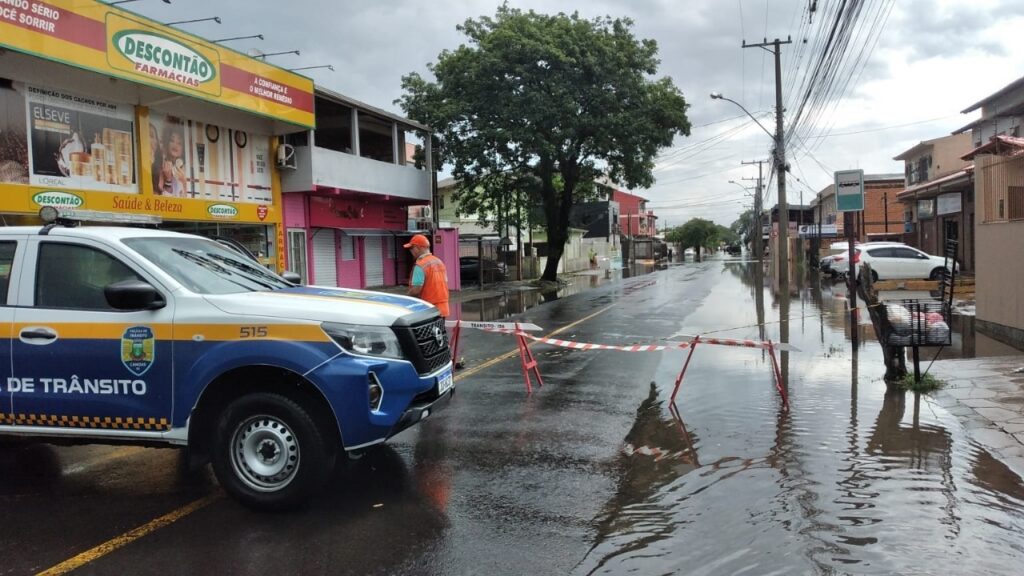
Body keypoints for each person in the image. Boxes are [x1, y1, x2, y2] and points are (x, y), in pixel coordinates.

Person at [405, 234, 449, 318]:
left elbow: (416, 290)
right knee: (439, 331)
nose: (410, 251)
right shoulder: (438, 261)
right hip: (443, 308)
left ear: (418, 247)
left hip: (429, 309)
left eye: (411, 248)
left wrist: (406, 299)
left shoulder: (420, 265)